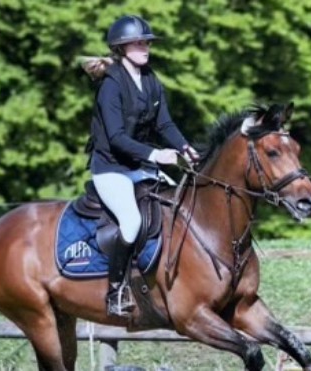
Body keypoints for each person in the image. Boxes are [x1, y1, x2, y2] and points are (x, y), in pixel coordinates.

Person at [82, 15, 199, 317]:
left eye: (146, 42)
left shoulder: (150, 79)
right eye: (138, 42)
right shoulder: (111, 85)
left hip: (139, 166)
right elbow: (117, 138)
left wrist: (185, 147)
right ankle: (116, 290)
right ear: (121, 48)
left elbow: (165, 123)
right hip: (111, 168)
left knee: (182, 208)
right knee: (131, 222)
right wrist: (157, 155)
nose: (145, 47)